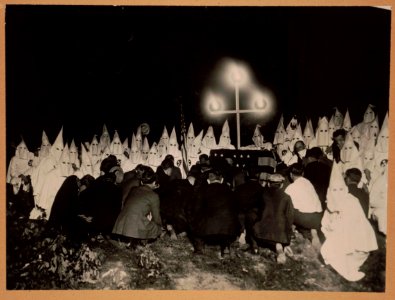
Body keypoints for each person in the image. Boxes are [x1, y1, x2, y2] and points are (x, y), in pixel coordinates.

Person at [321, 162, 378, 281]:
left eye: (341, 189)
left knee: (353, 252)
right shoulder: (330, 201)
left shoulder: (352, 201)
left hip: (356, 234)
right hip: (339, 234)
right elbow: (326, 221)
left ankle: (350, 268)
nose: (337, 193)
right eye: (334, 190)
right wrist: (329, 226)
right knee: (329, 251)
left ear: (345, 189)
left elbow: (356, 222)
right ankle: (344, 267)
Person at [189, 168, 240, 258]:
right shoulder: (229, 190)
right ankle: (225, 248)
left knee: (194, 219)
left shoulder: (203, 190)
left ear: (209, 179)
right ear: (221, 179)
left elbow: (196, 209)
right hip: (228, 229)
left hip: (208, 228)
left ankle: (199, 249)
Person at [112, 167, 163, 246]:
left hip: (120, 225)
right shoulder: (153, 195)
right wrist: (160, 228)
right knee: (157, 228)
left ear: (142, 182)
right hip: (134, 226)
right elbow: (156, 217)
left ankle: (130, 241)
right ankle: (139, 241)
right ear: (154, 183)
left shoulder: (134, 189)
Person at [251, 174, 294, 264]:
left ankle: (255, 246)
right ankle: (280, 247)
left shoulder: (261, 194)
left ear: (269, 184)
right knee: (279, 230)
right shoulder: (286, 197)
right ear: (281, 184)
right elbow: (290, 218)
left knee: (251, 218)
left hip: (261, 234)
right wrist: (288, 236)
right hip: (280, 234)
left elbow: (254, 211)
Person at [77, 155, 123, 237]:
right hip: (107, 227)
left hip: (91, 222)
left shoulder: (97, 182)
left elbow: (83, 199)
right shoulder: (116, 189)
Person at [285, 163, 323, 249]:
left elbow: (285, 204)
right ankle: (313, 232)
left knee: (287, 208)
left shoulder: (291, 187)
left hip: (305, 219)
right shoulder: (308, 183)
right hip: (318, 217)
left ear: (291, 175)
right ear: (303, 174)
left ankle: (291, 231)